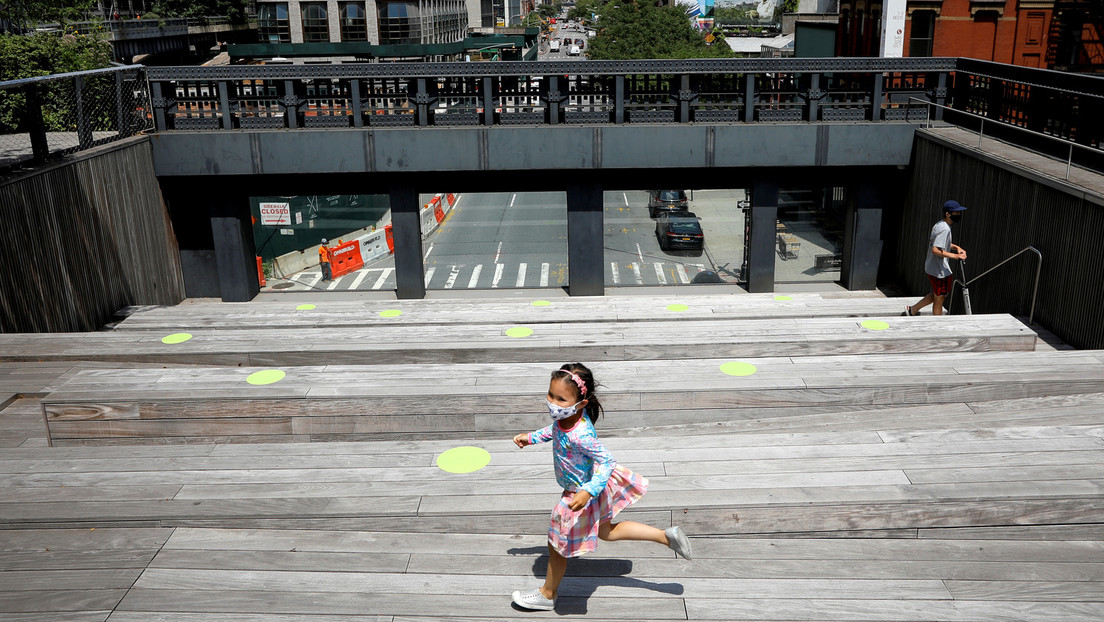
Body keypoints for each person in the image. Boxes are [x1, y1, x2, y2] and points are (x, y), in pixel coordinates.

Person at [510, 363, 693, 612]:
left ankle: (548, 593)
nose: (553, 402)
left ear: (581, 404)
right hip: (588, 490)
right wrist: (531, 438)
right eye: (551, 395)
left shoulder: (581, 434)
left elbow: (607, 461)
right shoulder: (566, 418)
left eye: (561, 398)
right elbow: (554, 431)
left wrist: (588, 491)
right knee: (606, 531)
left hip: (581, 493)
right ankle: (665, 537)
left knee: (556, 542)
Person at [905, 200, 967, 317]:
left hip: (936, 268)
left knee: (938, 294)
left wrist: (956, 247)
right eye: (956, 213)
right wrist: (956, 256)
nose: (959, 215)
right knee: (940, 298)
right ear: (948, 214)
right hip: (939, 270)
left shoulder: (940, 224)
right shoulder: (945, 229)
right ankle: (938, 325)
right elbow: (936, 250)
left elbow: (942, 243)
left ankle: (913, 309)